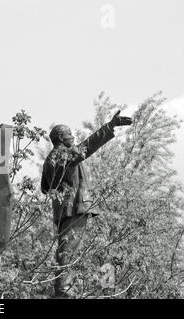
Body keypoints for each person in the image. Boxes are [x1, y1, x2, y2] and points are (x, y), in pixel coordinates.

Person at [41, 110, 132, 298]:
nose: (73, 137)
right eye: (69, 134)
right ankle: (62, 289)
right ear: (60, 137)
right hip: (73, 209)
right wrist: (108, 127)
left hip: (67, 210)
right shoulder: (61, 155)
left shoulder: (52, 159)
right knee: (67, 250)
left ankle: (67, 287)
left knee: (70, 250)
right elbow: (86, 148)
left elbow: (45, 187)